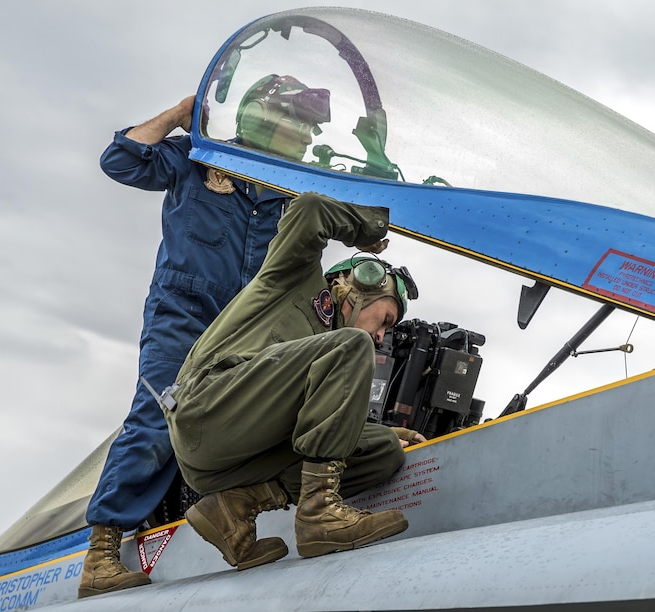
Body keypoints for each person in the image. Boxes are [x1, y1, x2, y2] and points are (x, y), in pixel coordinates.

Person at [79, 75, 331, 599]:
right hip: (182, 319)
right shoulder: (197, 159)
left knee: (251, 423)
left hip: (247, 331)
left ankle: (236, 529)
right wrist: (177, 114)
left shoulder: (298, 191)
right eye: (301, 123)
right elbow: (120, 160)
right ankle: (102, 553)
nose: (308, 137)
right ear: (264, 115)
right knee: (156, 424)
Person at [166, 192, 422, 570]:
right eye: (384, 320)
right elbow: (310, 209)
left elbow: (299, 406)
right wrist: (369, 229)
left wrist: (361, 430)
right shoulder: (296, 277)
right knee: (352, 346)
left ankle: (234, 509)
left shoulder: (327, 355)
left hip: (229, 460)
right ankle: (319, 514)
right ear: (360, 287)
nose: (382, 336)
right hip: (205, 409)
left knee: (383, 449)